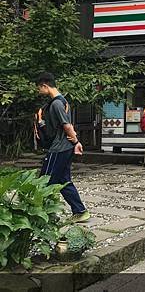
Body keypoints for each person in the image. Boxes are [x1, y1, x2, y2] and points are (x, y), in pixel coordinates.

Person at [36, 72, 90, 223]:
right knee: (63, 180)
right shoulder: (62, 101)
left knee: (44, 181)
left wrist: (76, 142)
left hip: (58, 148)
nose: (39, 91)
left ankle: (43, 215)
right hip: (65, 147)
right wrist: (75, 143)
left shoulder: (57, 103)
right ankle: (80, 211)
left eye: (39, 88)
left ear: (45, 86)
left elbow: (66, 125)